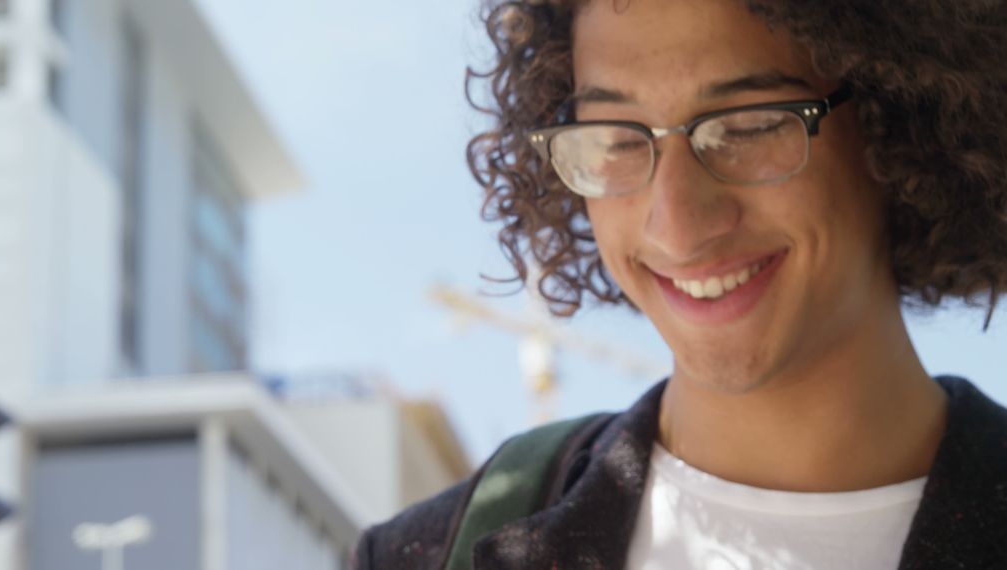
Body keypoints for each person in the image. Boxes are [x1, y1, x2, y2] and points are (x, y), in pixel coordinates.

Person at [352, 0, 1007, 567]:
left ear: (900, 124)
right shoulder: (427, 556)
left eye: (748, 125)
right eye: (614, 138)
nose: (677, 228)